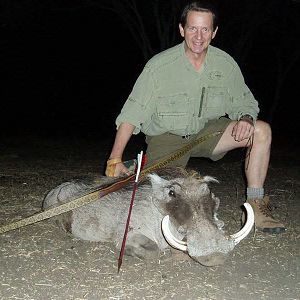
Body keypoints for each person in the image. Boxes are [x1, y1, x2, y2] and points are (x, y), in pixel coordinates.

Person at [105, 1, 285, 234]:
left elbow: (246, 102)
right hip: (167, 137)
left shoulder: (225, 64)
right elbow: (132, 113)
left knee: (261, 130)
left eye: (205, 29)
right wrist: (114, 158)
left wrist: (246, 118)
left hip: (206, 133)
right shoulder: (159, 66)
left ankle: (256, 205)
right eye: (192, 28)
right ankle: (137, 168)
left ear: (214, 32)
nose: (199, 36)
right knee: (167, 198)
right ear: (182, 30)